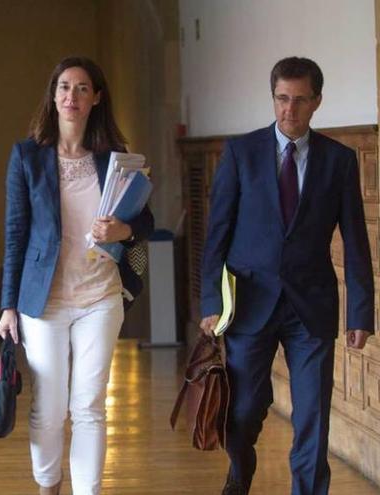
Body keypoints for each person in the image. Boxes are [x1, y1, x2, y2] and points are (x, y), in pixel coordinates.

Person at [200, 57, 374, 495]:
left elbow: (356, 241)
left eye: (299, 100)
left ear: (316, 102)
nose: (288, 110)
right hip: (248, 304)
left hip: (310, 307)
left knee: (313, 415)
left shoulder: (339, 161)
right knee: (241, 411)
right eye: (281, 99)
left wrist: (360, 313)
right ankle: (240, 471)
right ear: (273, 96)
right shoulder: (241, 153)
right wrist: (210, 303)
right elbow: (216, 233)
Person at [0, 56, 154, 495]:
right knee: (49, 407)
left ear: (96, 98)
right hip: (42, 300)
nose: (72, 96)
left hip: (100, 295)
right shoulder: (27, 156)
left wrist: (124, 230)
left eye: (82, 88)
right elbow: (15, 232)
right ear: (53, 95)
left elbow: (144, 221)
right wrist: (7, 305)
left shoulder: (115, 160)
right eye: (64, 87)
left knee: (89, 405)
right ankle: (49, 485)